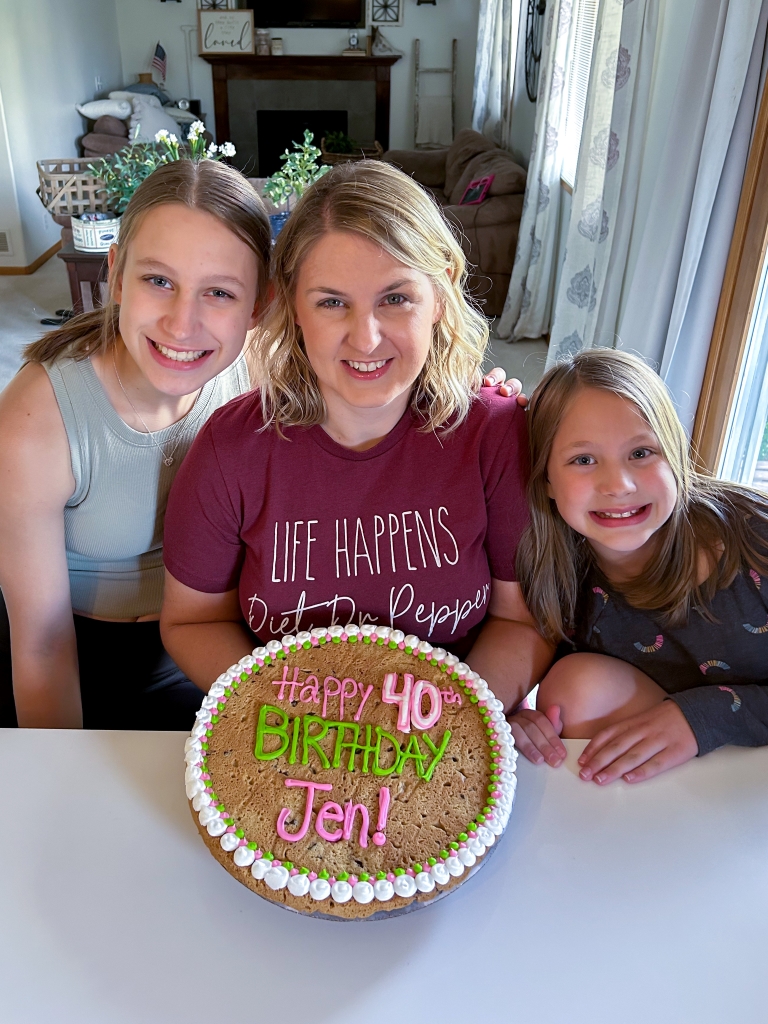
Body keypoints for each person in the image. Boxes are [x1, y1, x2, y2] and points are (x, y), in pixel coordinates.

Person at [160, 160, 552, 706]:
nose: (366, 339)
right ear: (292, 306)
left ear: (439, 299)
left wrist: (452, 722)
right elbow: (192, 623)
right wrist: (303, 713)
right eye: (332, 302)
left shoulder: (498, 433)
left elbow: (521, 620)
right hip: (289, 741)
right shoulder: (232, 450)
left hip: (446, 742)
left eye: (395, 298)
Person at [0, 158, 273, 729]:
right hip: (90, 662)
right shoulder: (37, 417)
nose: (182, 324)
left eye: (219, 292)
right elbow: (42, 644)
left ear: (259, 305)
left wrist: (480, 400)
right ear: (116, 274)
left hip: (223, 640)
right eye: (159, 281)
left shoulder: (256, 365)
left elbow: (370, 391)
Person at [511, 348, 768, 784]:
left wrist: (702, 719)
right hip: (682, 776)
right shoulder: (555, 568)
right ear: (547, 480)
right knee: (570, 689)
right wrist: (516, 718)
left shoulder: (755, 538)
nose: (619, 485)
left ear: (675, 451)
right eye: (584, 460)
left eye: (641, 453)